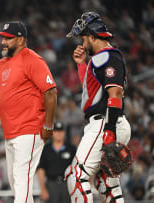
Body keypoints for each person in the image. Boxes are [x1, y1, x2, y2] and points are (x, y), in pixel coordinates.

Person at [0, 21, 57, 203]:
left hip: (30, 128)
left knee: (21, 177)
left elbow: (51, 92)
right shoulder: (1, 64)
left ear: (21, 40)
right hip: (10, 132)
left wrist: (48, 125)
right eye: (3, 38)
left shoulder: (32, 59)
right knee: (16, 181)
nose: (3, 42)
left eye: (8, 38)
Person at [64, 12, 131, 203]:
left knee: (76, 175)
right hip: (110, 121)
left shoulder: (108, 56)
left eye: (84, 39)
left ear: (92, 36)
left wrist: (109, 131)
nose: (82, 44)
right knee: (106, 183)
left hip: (105, 122)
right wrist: (81, 65)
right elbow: (92, 92)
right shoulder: (102, 58)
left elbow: (115, 94)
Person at [37, 122, 76, 203]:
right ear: (52, 133)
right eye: (56, 131)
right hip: (51, 185)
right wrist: (43, 189)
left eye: (61, 131)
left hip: (67, 185)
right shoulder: (46, 149)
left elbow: (76, 169)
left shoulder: (71, 149)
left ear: (64, 132)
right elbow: (41, 170)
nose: (58, 133)